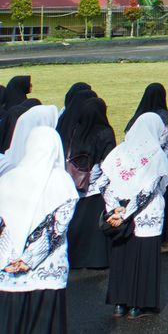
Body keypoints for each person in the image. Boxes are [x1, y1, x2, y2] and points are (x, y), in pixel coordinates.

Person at [0, 128, 78, 334]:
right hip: (47, 271)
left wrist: (11, 257)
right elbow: (57, 227)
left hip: (7, 272)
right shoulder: (62, 182)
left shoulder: (8, 179)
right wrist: (29, 259)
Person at [100, 112, 168, 320]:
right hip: (145, 214)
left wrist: (115, 209)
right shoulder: (156, 155)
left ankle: (119, 303)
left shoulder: (118, 151)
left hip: (119, 213)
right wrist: (126, 213)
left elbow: (103, 183)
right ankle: (138, 305)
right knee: (143, 257)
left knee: (122, 255)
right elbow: (148, 190)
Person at [57, 90, 115, 271]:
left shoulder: (76, 129)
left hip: (77, 184)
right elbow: (109, 162)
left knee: (76, 224)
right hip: (96, 188)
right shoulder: (105, 132)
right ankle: (96, 260)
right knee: (94, 228)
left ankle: (73, 258)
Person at [128, 82, 168, 251]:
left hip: (140, 165)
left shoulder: (139, 116)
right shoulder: (166, 117)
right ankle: (164, 238)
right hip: (162, 164)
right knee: (162, 200)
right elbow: (165, 141)